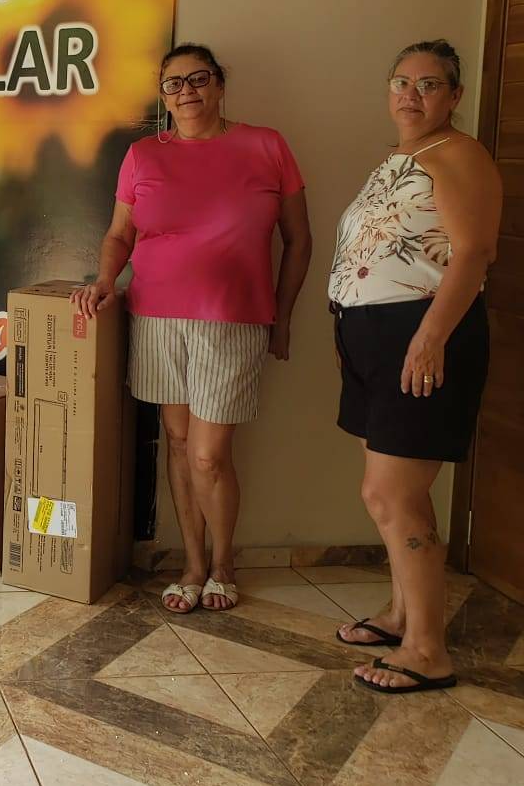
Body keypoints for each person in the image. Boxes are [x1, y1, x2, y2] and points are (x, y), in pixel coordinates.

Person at [73, 44, 312, 615]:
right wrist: (105, 279)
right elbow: (120, 235)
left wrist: (282, 316)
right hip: (156, 318)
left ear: (220, 84)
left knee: (208, 455)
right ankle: (193, 565)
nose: (187, 92)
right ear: (163, 95)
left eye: (199, 79)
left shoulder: (267, 146)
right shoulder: (142, 156)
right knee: (178, 444)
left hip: (233, 320)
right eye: (174, 83)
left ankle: (224, 564)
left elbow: (299, 241)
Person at [330, 39, 500, 694]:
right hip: (375, 340)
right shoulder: (405, 158)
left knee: (393, 495)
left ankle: (428, 649)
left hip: (422, 337)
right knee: (389, 493)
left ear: (454, 96)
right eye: (401, 81)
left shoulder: (459, 154)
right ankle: (403, 615)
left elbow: (473, 252)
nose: (411, 94)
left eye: (429, 84)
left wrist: (430, 339)